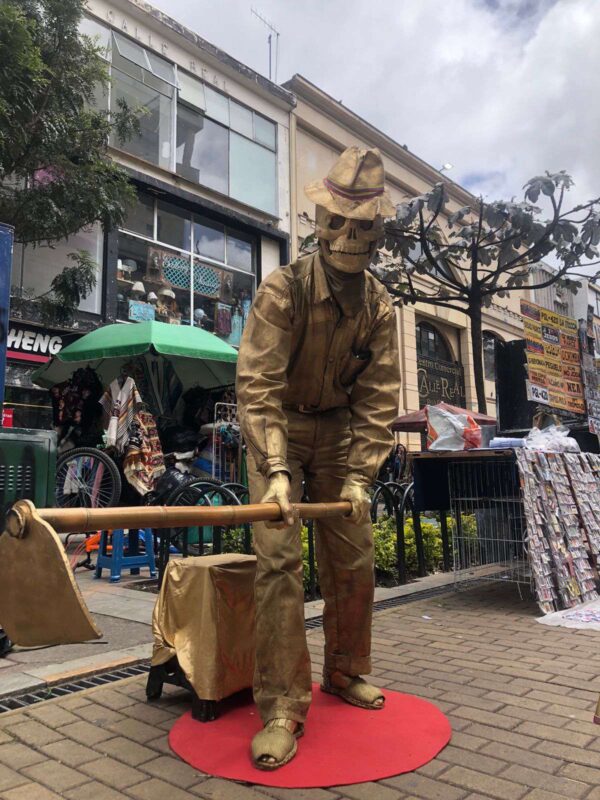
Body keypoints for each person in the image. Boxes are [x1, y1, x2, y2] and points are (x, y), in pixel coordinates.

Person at [236, 146, 401, 770]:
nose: (350, 238)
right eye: (340, 223)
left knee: (354, 554)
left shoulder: (379, 307)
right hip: (277, 424)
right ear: (320, 223)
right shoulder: (282, 290)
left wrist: (360, 477)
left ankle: (345, 669)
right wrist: (276, 471)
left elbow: (379, 397)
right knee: (278, 562)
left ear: (379, 233)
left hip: (337, 432)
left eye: (364, 227)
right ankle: (282, 704)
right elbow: (258, 386)